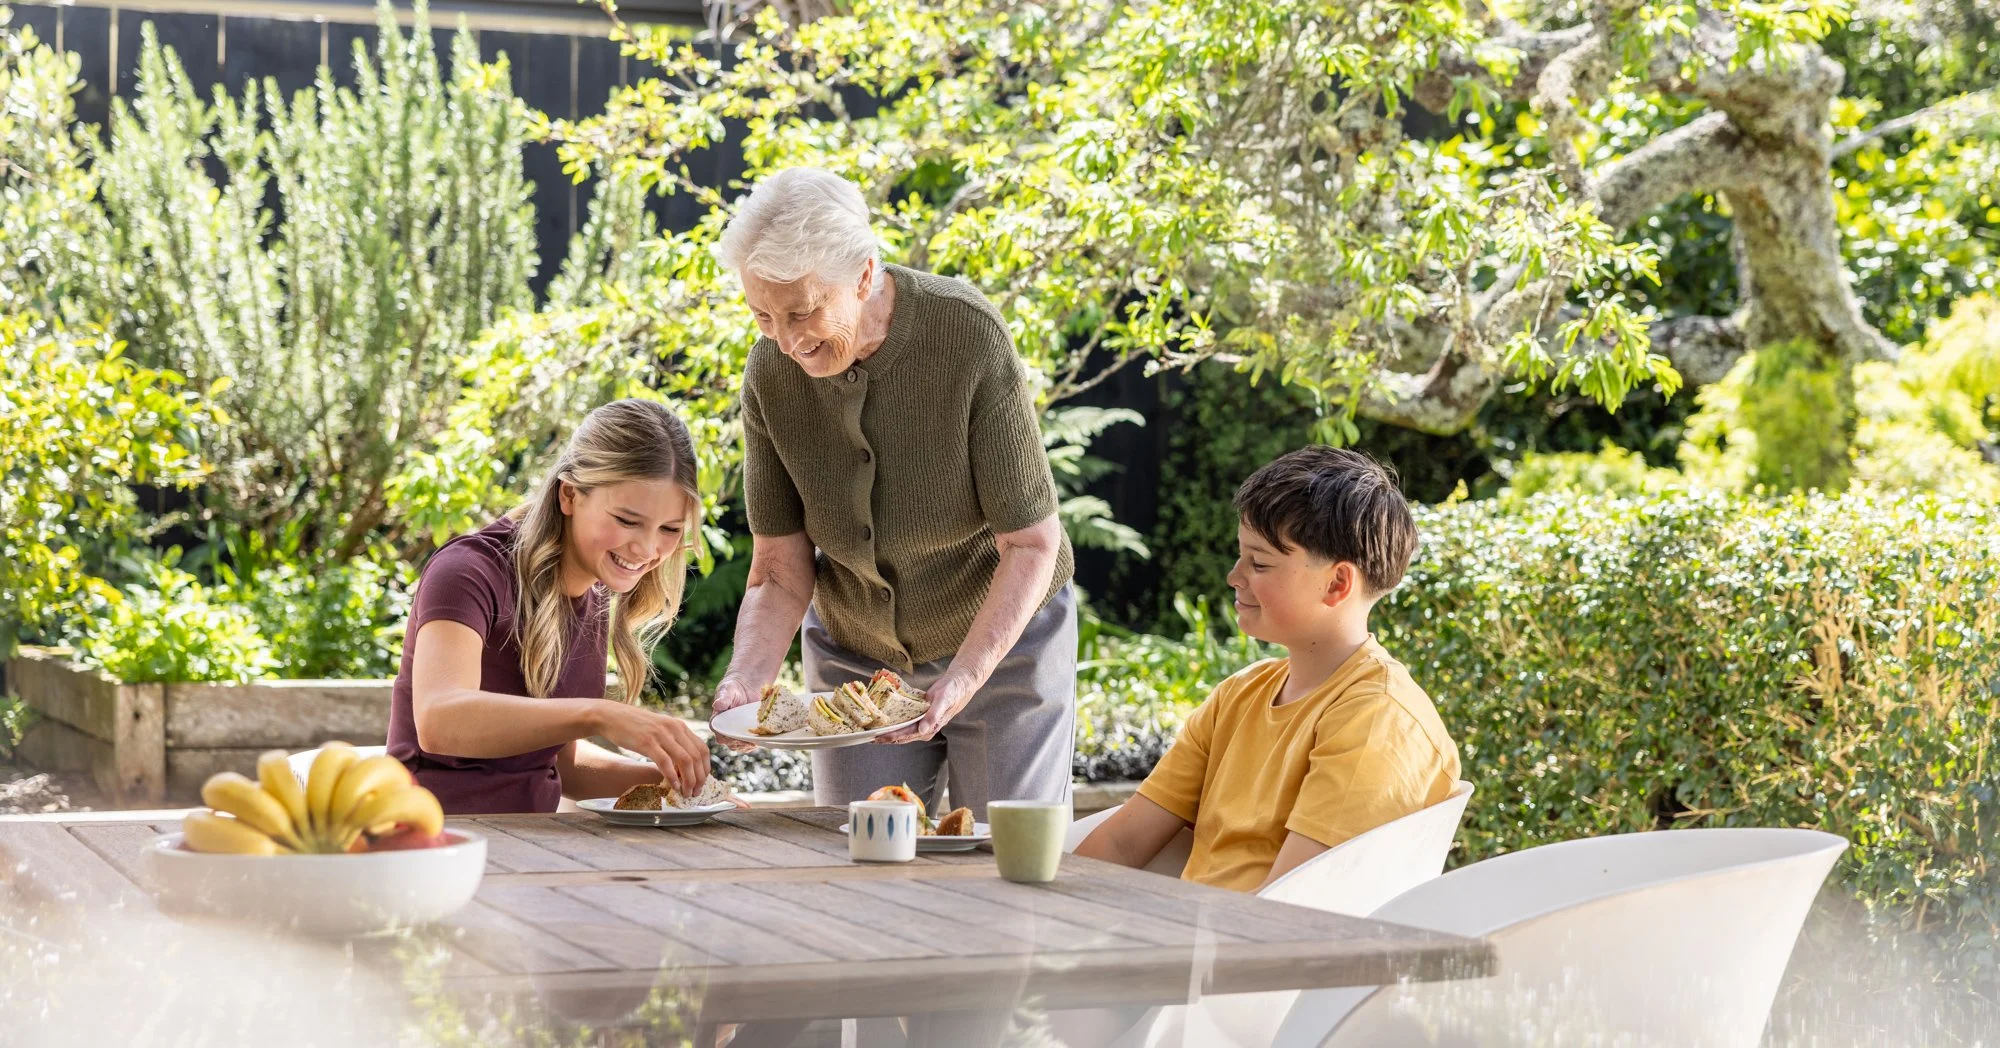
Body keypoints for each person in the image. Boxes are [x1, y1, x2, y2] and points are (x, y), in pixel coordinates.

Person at [709, 167, 1077, 819]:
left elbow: (1030, 543)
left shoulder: (963, 336)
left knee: (998, 857)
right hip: (856, 654)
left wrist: (964, 675)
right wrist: (748, 675)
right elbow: (777, 570)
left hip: (1002, 642)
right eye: (763, 315)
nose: (788, 340)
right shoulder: (771, 372)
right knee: (862, 857)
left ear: (863, 274)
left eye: (803, 311)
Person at [1076, 445, 1461, 891]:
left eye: (1259, 562)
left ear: (1337, 584)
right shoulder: (1237, 696)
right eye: (1241, 556)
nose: (1235, 576)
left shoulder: (1378, 718)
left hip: (1256, 951)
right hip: (1193, 938)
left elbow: (1291, 907)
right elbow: (1123, 845)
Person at [385, 399, 713, 814]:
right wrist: (598, 714)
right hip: (432, 843)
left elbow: (560, 765)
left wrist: (681, 783)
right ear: (570, 495)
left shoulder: (593, 595)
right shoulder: (467, 571)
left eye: (669, 529)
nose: (648, 549)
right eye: (628, 521)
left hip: (533, 846)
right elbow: (439, 721)